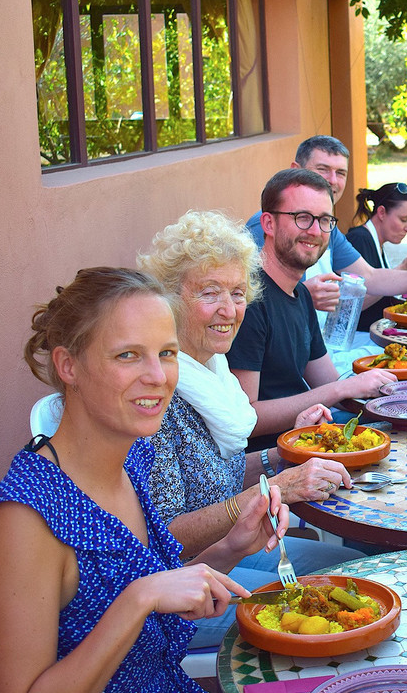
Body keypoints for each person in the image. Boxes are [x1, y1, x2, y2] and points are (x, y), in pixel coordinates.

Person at [0, 267, 287, 693]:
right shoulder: (25, 518)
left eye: (167, 353)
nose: (157, 376)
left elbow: (166, 592)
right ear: (69, 366)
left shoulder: (133, 459)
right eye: (128, 355)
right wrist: (137, 600)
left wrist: (231, 548)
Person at [138, 210, 365, 647]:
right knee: (341, 615)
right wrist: (273, 487)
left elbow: (211, 474)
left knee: (352, 570)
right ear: (168, 299)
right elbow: (163, 537)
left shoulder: (211, 371)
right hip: (173, 591)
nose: (229, 310)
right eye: (209, 293)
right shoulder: (157, 393)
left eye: (238, 293)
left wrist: (285, 452)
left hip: (225, 552)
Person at [229, 170, 399, 450]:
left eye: (324, 220)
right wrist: (340, 389)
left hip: (314, 439)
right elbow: (247, 418)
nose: (315, 231)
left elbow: (331, 383)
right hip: (274, 462)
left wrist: (400, 394)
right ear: (268, 224)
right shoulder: (248, 300)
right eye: (302, 218)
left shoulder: (300, 294)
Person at [246, 136, 407, 320]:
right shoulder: (264, 227)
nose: (332, 181)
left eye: (341, 173)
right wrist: (303, 296)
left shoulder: (331, 230)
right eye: (323, 169)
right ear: (295, 168)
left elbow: (369, 276)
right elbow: (248, 300)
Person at [345, 181, 407, 331]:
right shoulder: (359, 239)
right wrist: (403, 269)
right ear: (381, 213)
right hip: (359, 338)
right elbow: (351, 305)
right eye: (404, 219)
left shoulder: (377, 243)